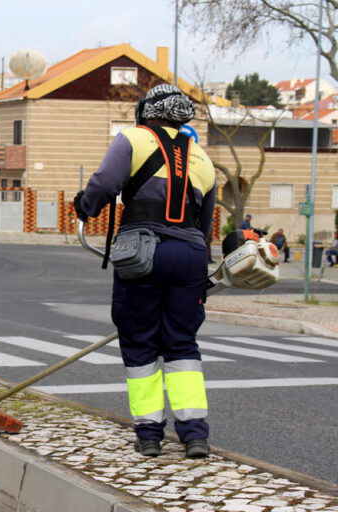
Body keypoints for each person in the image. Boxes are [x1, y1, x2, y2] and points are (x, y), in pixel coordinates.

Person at [73, 84, 216, 459]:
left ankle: (150, 435)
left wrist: (86, 206)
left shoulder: (132, 139)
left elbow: (104, 184)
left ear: (147, 112)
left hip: (143, 254)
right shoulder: (202, 156)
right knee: (182, 343)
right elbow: (205, 223)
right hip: (190, 255)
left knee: (140, 342)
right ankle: (195, 435)